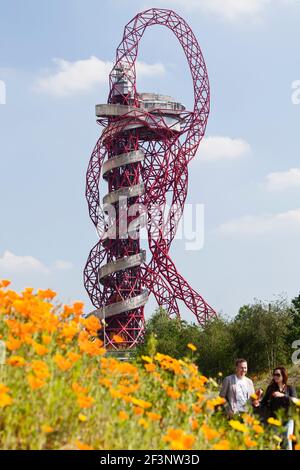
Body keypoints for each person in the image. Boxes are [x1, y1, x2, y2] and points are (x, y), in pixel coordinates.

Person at [260, 367, 297, 450]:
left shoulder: (290, 388)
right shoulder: (271, 388)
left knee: (287, 440)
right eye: (274, 374)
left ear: (283, 376)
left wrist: (283, 395)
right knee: (274, 443)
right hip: (274, 420)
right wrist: (258, 404)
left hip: (287, 419)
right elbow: (264, 402)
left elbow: (296, 401)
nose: (275, 376)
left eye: (278, 374)